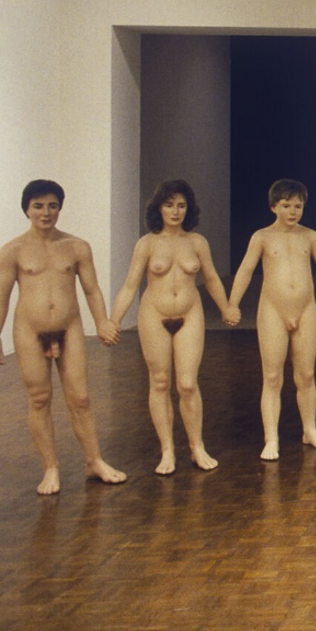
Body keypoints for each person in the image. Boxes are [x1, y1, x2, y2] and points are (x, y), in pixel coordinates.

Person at [0, 180, 128, 495]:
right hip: (29, 330)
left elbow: (91, 289)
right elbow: (1, 295)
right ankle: (50, 468)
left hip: (69, 328)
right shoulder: (12, 251)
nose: (46, 212)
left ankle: (94, 461)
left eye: (52, 205)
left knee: (81, 398)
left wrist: (102, 322)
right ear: (27, 209)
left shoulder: (77, 247)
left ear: (60, 208)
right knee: (39, 399)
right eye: (38, 206)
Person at [106, 180, 233, 475]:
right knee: (160, 382)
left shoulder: (197, 242)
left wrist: (226, 307)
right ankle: (167, 450)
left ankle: (197, 447)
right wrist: (114, 320)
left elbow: (211, 278)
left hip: (190, 313)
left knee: (187, 384)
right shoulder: (147, 244)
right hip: (154, 314)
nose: (175, 212)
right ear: (159, 208)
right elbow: (130, 285)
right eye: (169, 205)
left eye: (181, 205)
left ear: (189, 209)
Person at [226, 178, 316, 461]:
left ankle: (310, 429)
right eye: (286, 206)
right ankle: (271, 438)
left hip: (306, 310)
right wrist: (232, 303)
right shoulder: (262, 237)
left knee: (306, 375)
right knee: (272, 377)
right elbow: (245, 270)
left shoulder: (310, 236)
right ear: (274, 206)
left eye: (298, 206)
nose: (292, 211)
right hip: (273, 310)